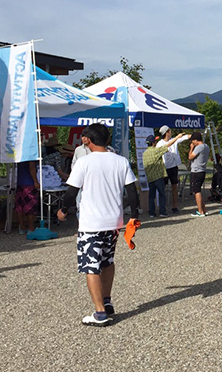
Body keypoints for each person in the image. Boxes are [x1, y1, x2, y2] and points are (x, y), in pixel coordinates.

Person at [56, 123, 140, 327]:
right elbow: (132, 192)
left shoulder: (84, 163)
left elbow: (71, 192)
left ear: (89, 140)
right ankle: (107, 300)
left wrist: (64, 210)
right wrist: (135, 216)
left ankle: (99, 313)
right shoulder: (121, 161)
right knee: (108, 261)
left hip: (91, 223)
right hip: (114, 222)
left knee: (91, 266)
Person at [142, 131, 188, 217]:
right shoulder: (156, 151)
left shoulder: (144, 154)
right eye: (155, 141)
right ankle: (162, 212)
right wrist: (177, 137)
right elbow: (168, 145)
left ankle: (152, 212)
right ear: (153, 143)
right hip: (158, 176)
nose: (156, 142)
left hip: (150, 178)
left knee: (151, 196)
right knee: (162, 194)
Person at [157, 126, 190, 214]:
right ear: (166, 132)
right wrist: (176, 137)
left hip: (173, 167)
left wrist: (193, 136)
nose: (171, 132)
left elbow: (183, 138)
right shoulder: (160, 143)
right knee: (163, 188)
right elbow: (167, 145)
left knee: (174, 186)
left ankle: (174, 206)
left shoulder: (174, 140)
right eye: (170, 131)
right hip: (164, 168)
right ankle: (162, 207)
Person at [187, 131, 211, 218]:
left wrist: (191, 148)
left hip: (196, 171)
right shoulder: (206, 146)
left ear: (196, 140)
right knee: (199, 190)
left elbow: (190, 157)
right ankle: (203, 210)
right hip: (202, 170)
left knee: (196, 191)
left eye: (193, 141)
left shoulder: (198, 147)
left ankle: (200, 211)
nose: (192, 142)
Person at [15, 159, 39, 235]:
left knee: (19, 205)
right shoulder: (30, 154)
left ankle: (21, 227)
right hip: (29, 182)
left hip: (19, 181)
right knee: (30, 206)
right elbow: (31, 167)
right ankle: (31, 227)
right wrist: (35, 181)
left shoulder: (19, 153)